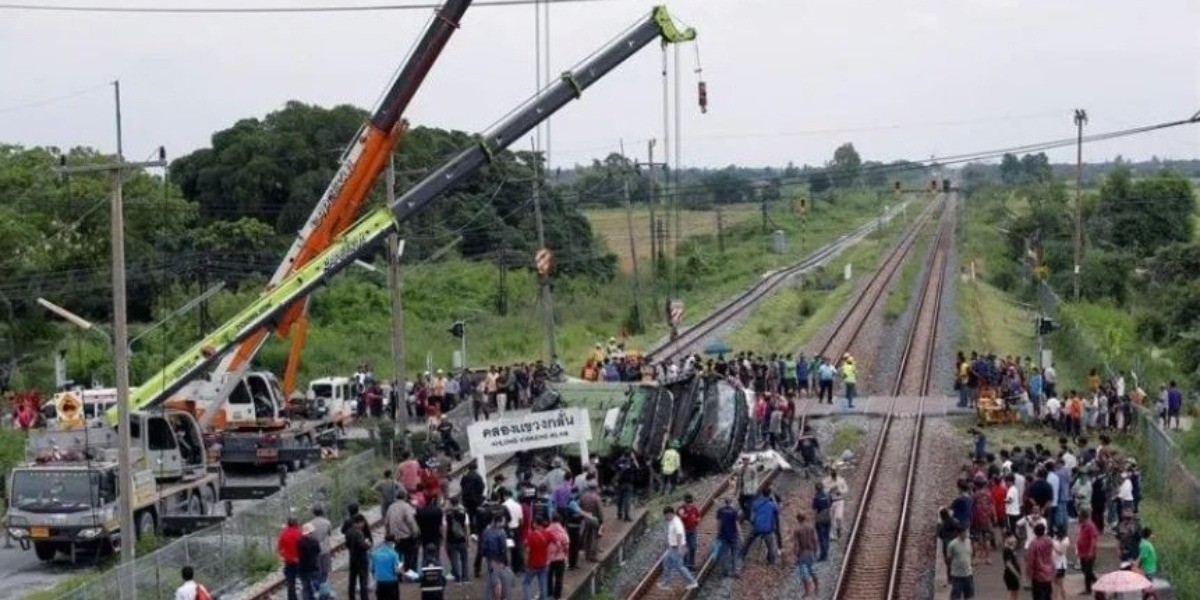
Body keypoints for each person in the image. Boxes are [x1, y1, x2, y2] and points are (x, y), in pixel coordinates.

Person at [386, 488, 421, 581]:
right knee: (409, 556)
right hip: (406, 536)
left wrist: (388, 535)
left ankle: (398, 576)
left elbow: (386, 522)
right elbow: (411, 521)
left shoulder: (391, 507)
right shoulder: (407, 507)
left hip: (394, 537)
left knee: (397, 557)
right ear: (405, 497)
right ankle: (410, 576)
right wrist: (415, 533)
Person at [660, 506, 699, 590]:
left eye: (665, 516)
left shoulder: (676, 522)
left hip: (676, 548)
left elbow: (679, 535)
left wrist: (680, 548)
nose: (665, 517)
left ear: (669, 514)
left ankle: (693, 582)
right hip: (672, 548)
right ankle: (665, 584)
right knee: (666, 564)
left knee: (680, 567)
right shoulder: (672, 520)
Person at [742, 487, 780, 565]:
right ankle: (771, 562)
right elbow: (778, 510)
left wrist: (755, 524)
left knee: (748, 542)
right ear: (769, 494)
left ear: (761, 493)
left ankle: (741, 556)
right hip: (767, 529)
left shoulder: (755, 503)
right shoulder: (772, 505)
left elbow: (752, 518)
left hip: (757, 528)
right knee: (770, 546)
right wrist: (772, 498)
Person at [444, 496, 471, 584]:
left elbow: (445, 528)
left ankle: (458, 578)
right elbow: (466, 528)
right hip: (462, 538)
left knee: (454, 559)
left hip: (451, 539)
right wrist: (468, 540)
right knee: (464, 559)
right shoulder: (464, 513)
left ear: (451, 503)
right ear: (458, 503)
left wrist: (445, 541)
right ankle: (465, 577)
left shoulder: (447, 514)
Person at [792, 512, 819, 598]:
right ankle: (817, 587)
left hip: (802, 553)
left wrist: (795, 554)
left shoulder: (797, 529)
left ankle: (807, 591)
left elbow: (796, 544)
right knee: (812, 570)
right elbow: (814, 540)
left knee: (803, 573)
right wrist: (815, 551)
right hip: (810, 551)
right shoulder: (810, 527)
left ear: (798, 519)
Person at [522, 518, 550, 600]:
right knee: (543, 584)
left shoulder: (531, 536)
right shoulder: (547, 534)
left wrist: (526, 564)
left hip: (532, 564)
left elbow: (526, 550)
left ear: (536, 524)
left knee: (526, 583)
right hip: (543, 563)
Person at [345, 514, 372, 600]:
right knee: (363, 581)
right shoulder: (359, 533)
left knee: (352, 581)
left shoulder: (348, 532)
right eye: (363, 523)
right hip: (361, 560)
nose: (363, 525)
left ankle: (351, 597)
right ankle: (364, 598)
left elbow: (347, 544)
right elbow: (363, 546)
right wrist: (368, 544)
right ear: (359, 522)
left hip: (352, 559)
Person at [1025, 523, 1055, 600]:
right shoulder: (1049, 540)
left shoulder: (1034, 544)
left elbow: (1031, 560)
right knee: (1048, 594)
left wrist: (1029, 573)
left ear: (1035, 532)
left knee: (1038, 596)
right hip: (1048, 571)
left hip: (1038, 574)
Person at [713, 497, 740, 578]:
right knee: (734, 553)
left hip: (723, 536)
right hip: (733, 536)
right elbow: (736, 524)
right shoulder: (734, 511)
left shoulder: (720, 511)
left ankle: (725, 571)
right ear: (731, 503)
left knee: (724, 554)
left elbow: (719, 523)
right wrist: (740, 535)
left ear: (725, 503)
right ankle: (734, 571)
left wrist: (718, 534)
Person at [277, 517, 303, 600]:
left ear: (288, 524)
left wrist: (288, 557)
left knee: (291, 584)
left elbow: (280, 549)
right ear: (296, 523)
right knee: (306, 580)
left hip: (289, 562)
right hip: (301, 561)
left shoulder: (283, 534)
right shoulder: (300, 532)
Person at [545, 514, 570, 600]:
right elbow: (566, 544)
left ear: (551, 520)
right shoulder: (563, 531)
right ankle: (557, 595)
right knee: (559, 577)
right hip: (560, 558)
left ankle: (549, 592)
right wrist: (565, 554)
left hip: (549, 558)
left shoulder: (547, 530)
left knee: (549, 576)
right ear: (559, 521)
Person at [947, 525, 975, 600]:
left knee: (969, 595)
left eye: (966, 532)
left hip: (968, 574)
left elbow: (970, 554)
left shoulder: (968, 541)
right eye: (964, 533)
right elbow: (949, 558)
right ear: (959, 533)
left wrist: (971, 565)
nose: (966, 534)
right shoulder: (952, 544)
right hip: (957, 575)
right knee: (955, 595)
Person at [372, 535, 403, 600]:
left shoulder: (375, 554)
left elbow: (372, 569)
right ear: (391, 543)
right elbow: (396, 570)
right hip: (391, 582)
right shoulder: (394, 554)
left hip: (380, 582)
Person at [823, 465, 849, 540]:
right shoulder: (825, 481)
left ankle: (839, 528)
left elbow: (846, 489)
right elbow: (823, 491)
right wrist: (829, 490)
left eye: (835, 471)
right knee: (830, 518)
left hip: (839, 500)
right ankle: (831, 533)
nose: (833, 473)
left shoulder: (841, 480)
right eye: (832, 471)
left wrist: (840, 491)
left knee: (838, 517)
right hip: (830, 501)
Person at [1076, 507, 1099, 594]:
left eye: (1079, 516)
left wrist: (1090, 551)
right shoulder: (1083, 526)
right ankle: (1094, 583)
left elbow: (1093, 539)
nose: (1078, 518)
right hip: (1083, 552)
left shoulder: (1090, 526)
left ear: (1083, 517)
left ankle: (1089, 588)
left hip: (1089, 553)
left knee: (1088, 571)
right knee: (1085, 570)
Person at [298, 523, 322, 600]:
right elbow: (318, 552)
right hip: (314, 567)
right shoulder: (315, 541)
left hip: (302, 568)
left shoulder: (299, 542)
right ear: (310, 532)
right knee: (318, 585)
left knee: (306, 587)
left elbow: (297, 554)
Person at [678, 493, 702, 570]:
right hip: (683, 531)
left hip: (692, 530)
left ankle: (691, 564)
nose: (689, 504)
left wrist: (697, 520)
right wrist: (681, 517)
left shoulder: (694, 509)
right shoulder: (681, 509)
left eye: (690, 502)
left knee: (693, 547)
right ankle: (685, 564)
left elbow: (698, 517)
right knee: (685, 548)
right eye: (687, 502)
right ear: (684, 502)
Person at [310, 506, 333, 582]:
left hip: (314, 550)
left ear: (313, 513)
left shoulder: (310, 524)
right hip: (325, 549)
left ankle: (319, 585)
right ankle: (324, 583)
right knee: (325, 569)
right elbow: (330, 534)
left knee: (317, 569)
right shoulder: (327, 522)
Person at [614, 450, 638, 522]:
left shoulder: (618, 462)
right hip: (628, 484)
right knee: (627, 500)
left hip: (620, 483)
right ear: (630, 455)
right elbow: (637, 468)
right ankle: (626, 516)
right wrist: (634, 458)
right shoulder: (631, 462)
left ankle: (619, 514)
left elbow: (614, 467)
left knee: (619, 499)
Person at [811, 483, 832, 562]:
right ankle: (826, 550)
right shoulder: (827, 495)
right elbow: (831, 503)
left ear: (816, 489)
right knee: (826, 535)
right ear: (823, 488)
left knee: (821, 537)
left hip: (820, 519)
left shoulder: (816, 497)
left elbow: (814, 507)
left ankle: (823, 554)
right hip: (827, 517)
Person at [1001, 533, 1021, 600]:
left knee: (1015, 592)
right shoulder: (1007, 550)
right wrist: (1016, 573)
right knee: (1011, 592)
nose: (1014, 541)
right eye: (1012, 539)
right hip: (1011, 574)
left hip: (1013, 574)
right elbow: (1008, 564)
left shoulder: (1012, 549)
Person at [1051, 530, 1069, 600]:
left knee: (1061, 585)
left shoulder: (1065, 541)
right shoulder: (1055, 538)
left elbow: (1061, 552)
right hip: (1054, 564)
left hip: (1060, 565)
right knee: (1055, 584)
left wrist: (1053, 546)